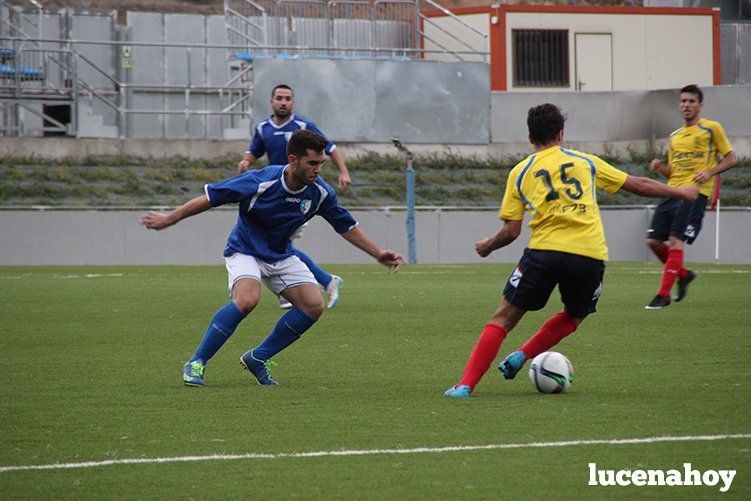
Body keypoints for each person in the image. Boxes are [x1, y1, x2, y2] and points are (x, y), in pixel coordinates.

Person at [444, 103, 699, 398]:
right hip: (588, 254)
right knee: (575, 315)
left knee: (503, 318)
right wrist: (680, 191)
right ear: (561, 134)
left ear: (530, 137)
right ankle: (522, 355)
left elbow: (511, 231)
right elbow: (637, 184)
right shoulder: (585, 162)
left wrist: (488, 245)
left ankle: (465, 385)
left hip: (544, 251)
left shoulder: (520, 171)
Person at [140, 130, 403, 387]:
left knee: (313, 306)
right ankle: (197, 362)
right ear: (293, 160)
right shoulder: (261, 181)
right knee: (247, 300)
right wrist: (168, 218)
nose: (318, 170)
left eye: (321, 164)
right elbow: (210, 198)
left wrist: (378, 253)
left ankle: (258, 357)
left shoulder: (320, 193)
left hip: (280, 254)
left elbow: (345, 226)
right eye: (312, 163)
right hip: (245, 249)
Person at [238, 84, 352, 309]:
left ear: (293, 102)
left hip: (300, 194)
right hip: (275, 193)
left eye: (288, 98)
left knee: (281, 245)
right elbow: (255, 150)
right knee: (280, 245)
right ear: (271, 101)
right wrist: (246, 161)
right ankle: (322, 281)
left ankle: (313, 284)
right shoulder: (262, 128)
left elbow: (330, 148)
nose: (283, 102)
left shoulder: (303, 126)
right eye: (279, 98)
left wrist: (344, 170)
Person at [644, 84, 736, 309]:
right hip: (672, 191)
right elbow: (675, 172)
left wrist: (710, 172)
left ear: (700, 105)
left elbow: (731, 158)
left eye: (691, 101)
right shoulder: (675, 136)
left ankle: (662, 295)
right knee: (653, 242)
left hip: (694, 194)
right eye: (683, 101)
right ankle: (683, 275)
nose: (686, 105)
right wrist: (661, 168)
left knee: (676, 241)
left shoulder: (711, 128)